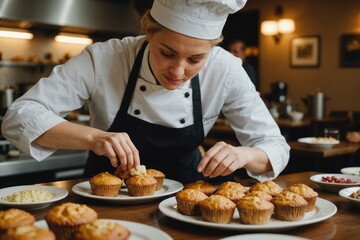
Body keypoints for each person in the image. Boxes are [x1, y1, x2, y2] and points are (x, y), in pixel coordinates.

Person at [1, 0, 289, 184]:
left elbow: (275, 146)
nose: (177, 71)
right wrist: (94, 137)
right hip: (105, 199)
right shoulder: (105, 58)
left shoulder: (226, 69)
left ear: (212, 49)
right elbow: (19, 116)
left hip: (186, 203)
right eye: (167, 53)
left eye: (195, 60)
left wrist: (244, 155)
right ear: (148, 31)